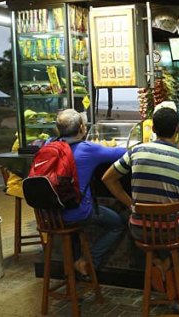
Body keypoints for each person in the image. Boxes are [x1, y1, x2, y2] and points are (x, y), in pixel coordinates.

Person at [102, 107, 179, 297]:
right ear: (177, 129)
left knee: (149, 227)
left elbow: (108, 178)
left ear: (153, 129)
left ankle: (157, 264)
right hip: (170, 230)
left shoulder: (136, 151)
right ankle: (167, 264)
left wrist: (132, 205)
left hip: (139, 229)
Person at [55, 109, 127, 278]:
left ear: (58, 130)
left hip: (51, 213)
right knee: (117, 224)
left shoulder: (49, 145)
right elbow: (124, 153)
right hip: (78, 212)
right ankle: (87, 262)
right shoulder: (88, 149)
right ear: (81, 128)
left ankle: (72, 263)